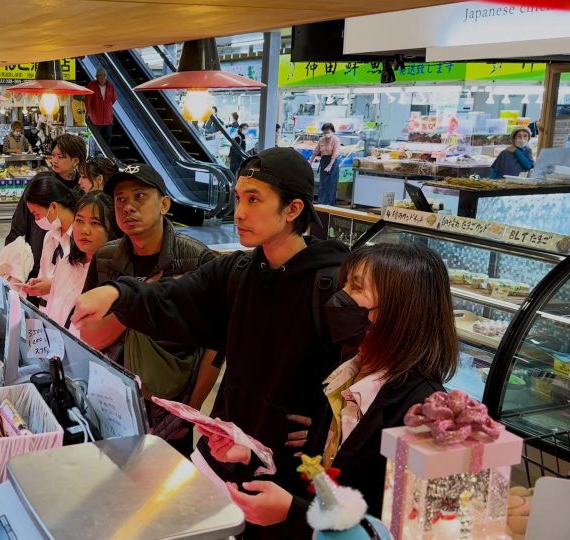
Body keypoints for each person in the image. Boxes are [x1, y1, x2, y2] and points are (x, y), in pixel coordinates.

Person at [73, 148, 350, 536]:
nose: (239, 211)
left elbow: (362, 375)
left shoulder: (332, 284)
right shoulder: (236, 271)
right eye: (239, 197)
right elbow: (175, 299)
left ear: (292, 209)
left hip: (292, 468)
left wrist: (327, 423)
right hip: (229, 448)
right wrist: (119, 294)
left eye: (254, 199)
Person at [203, 243, 457, 538]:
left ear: (400, 309)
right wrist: (252, 457)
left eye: (357, 287)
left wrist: (293, 514)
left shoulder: (424, 414)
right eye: (345, 284)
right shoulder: (345, 378)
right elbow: (317, 480)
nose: (340, 298)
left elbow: (397, 529)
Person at [79, 163, 219, 455]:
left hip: (172, 402)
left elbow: (214, 348)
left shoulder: (196, 260)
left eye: (140, 196)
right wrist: (136, 300)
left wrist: (190, 410)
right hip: (114, 400)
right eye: (120, 199)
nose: (128, 206)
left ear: (164, 204)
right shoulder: (106, 258)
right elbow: (89, 336)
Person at [22, 191, 118, 331]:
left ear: (112, 228)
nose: (85, 230)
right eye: (79, 221)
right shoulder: (66, 263)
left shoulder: (114, 276)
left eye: (95, 223)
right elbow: (51, 313)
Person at [5, 134, 86, 280]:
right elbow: (19, 223)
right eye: (53, 155)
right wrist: (8, 261)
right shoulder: (41, 182)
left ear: (75, 161)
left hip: (68, 268)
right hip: (36, 264)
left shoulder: (82, 189)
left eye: (61, 157)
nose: (54, 160)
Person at [85, 66, 117, 145]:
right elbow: (87, 100)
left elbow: (114, 99)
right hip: (95, 120)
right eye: (100, 76)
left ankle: (106, 157)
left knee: (107, 140)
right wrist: (88, 112)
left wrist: (107, 107)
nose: (103, 78)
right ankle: (93, 155)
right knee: (94, 140)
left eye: (104, 76)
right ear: (97, 77)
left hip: (108, 119)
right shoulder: (91, 85)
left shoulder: (110, 86)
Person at [312, 122, 341, 205]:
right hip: (324, 160)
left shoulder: (335, 139)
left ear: (332, 131)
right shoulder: (321, 139)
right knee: (323, 183)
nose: (326, 134)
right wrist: (310, 161)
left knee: (331, 184)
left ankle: (329, 204)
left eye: (328, 132)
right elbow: (316, 151)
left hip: (333, 162)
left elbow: (335, 153)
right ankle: (321, 203)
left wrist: (330, 165)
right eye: (324, 132)